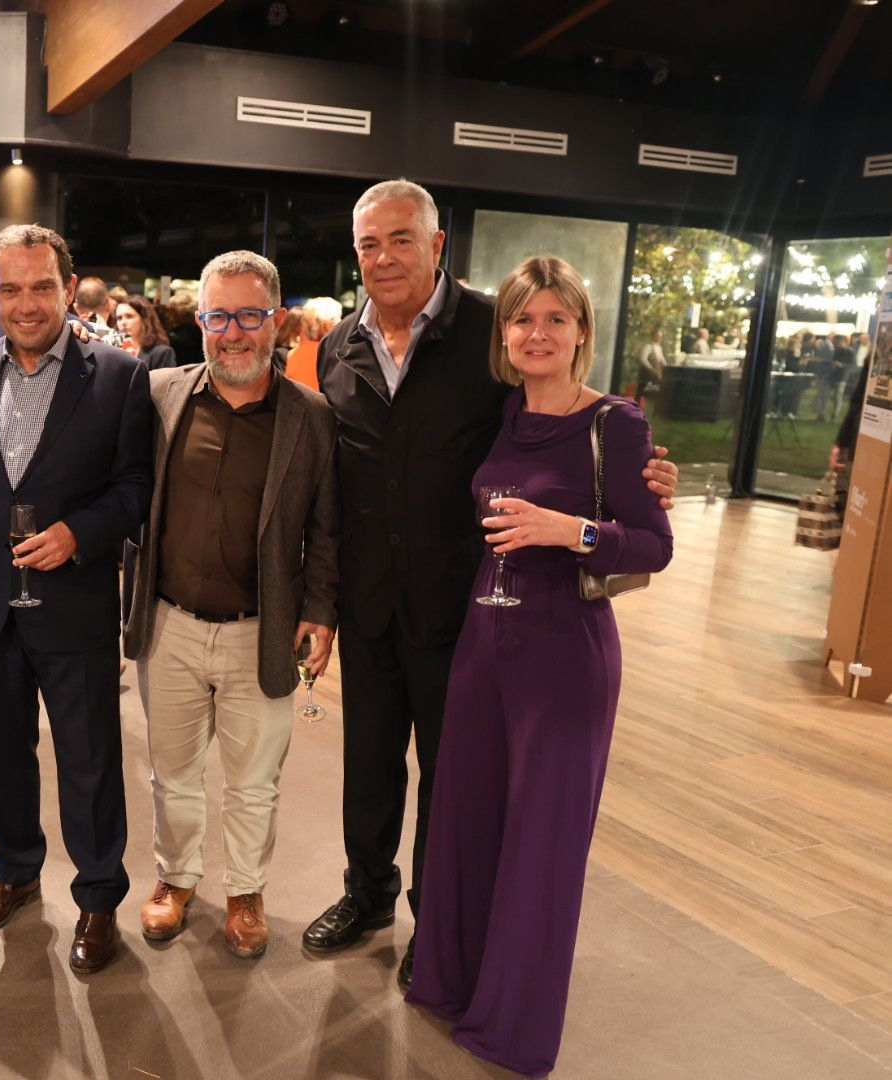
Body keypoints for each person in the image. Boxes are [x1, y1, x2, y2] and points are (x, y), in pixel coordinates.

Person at [307, 179, 678, 988]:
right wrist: (323, 600)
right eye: (369, 243)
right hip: (369, 601)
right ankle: (365, 894)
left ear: (437, 246)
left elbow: (559, 417)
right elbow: (334, 484)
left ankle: (434, 925)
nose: (384, 256)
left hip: (467, 608)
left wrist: (636, 473)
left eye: (402, 238)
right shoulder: (338, 346)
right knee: (368, 768)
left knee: (453, 779)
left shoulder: (491, 331)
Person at [406, 256, 673, 1076]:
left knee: (542, 847)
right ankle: (451, 985)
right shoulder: (501, 413)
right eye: (523, 319)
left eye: (556, 319)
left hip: (565, 657)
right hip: (484, 645)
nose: (537, 333)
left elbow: (654, 546)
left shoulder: (615, 424)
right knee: (466, 822)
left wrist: (575, 531)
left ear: (582, 332)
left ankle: (513, 1025)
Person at [0, 223, 152, 976]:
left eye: (41, 287)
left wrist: (79, 534)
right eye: (9, 288)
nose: (25, 304)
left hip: (75, 603)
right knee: (2, 753)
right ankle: (16, 871)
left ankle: (99, 899)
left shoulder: (121, 377)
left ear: (68, 289)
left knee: (90, 759)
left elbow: (136, 489)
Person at [122, 250, 336, 959]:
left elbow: (327, 526)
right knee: (172, 772)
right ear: (201, 321)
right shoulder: (159, 395)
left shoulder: (310, 416)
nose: (233, 332)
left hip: (262, 630)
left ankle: (245, 891)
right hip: (171, 626)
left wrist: (321, 609)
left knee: (253, 782)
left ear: (277, 322)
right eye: (219, 316)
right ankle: (176, 879)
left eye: (249, 316)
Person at [285, 296, 342, 391]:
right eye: (336, 318)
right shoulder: (332, 354)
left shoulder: (293, 354)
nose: (341, 322)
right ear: (324, 324)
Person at [113, 294, 177, 369]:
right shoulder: (116, 349)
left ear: (144, 318)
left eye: (129, 316)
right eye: (119, 318)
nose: (123, 322)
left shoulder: (162, 352)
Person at [636, 328, 666, 410]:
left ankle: (650, 407)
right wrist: (650, 368)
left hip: (655, 372)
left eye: (660, 337)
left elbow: (661, 359)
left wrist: (666, 366)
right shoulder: (648, 346)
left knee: (653, 388)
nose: (659, 338)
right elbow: (643, 359)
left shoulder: (659, 347)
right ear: (654, 336)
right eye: (658, 336)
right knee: (641, 389)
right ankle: (636, 406)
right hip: (647, 372)